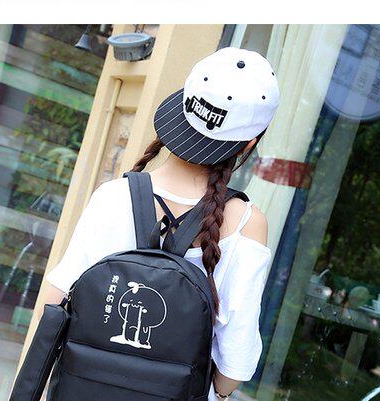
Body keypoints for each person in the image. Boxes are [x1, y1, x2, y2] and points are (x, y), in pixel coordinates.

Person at [42, 47, 280, 400]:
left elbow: (54, 304)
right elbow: (234, 363)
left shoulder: (113, 196)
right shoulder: (245, 223)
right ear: (249, 144)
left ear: (180, 113)